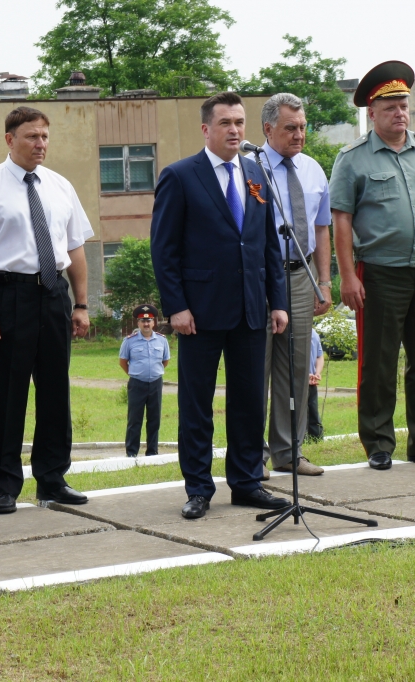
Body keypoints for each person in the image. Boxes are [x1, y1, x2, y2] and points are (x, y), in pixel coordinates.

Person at [150, 91, 290, 519]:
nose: (234, 130)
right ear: (206, 129)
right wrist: (176, 306)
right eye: (226, 123)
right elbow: (164, 249)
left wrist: (277, 302)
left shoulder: (256, 173)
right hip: (200, 312)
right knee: (197, 405)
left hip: (250, 309)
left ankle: (247, 482)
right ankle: (198, 488)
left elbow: (267, 243)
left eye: (239, 122)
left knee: (249, 401)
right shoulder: (180, 176)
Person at [0, 107, 93, 514]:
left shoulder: (61, 186)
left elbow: (75, 246)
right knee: (6, 395)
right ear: (10, 140)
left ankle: (52, 479)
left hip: (52, 295)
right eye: (31, 137)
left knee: (54, 392)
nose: (40, 144)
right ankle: (4, 485)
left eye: (45, 136)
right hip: (6, 296)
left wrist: (80, 304)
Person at [330, 61, 415, 471]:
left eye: (404, 105)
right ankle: (378, 443)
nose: (399, 113)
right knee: (380, 361)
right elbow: (341, 221)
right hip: (380, 271)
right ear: (371, 112)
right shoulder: (352, 158)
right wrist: (348, 276)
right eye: (389, 107)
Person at [254, 93, 331, 479]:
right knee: (258, 366)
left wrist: (325, 280)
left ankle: (290, 451)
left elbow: (321, 226)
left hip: (300, 275)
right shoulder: (250, 168)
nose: (298, 135)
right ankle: (254, 455)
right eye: (290, 128)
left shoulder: (314, 169)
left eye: (302, 127)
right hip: (262, 278)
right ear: (268, 129)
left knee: (297, 366)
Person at [119, 304, 170, 456]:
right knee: (135, 420)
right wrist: (135, 373)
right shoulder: (129, 341)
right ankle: (132, 453)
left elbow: (165, 361)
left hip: (155, 383)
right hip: (137, 384)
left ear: (154, 323)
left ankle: (152, 452)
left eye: (149, 321)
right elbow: (123, 362)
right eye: (143, 321)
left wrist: (153, 372)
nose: (146, 324)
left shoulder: (162, 341)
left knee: (154, 419)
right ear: (138, 323)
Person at [305, 328, 326, 443]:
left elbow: (319, 356)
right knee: (298, 413)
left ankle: (316, 439)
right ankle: (300, 440)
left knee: (313, 410)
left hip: (312, 380)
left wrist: (317, 373)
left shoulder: (314, 333)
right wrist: (305, 375)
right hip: (297, 380)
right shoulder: (295, 333)